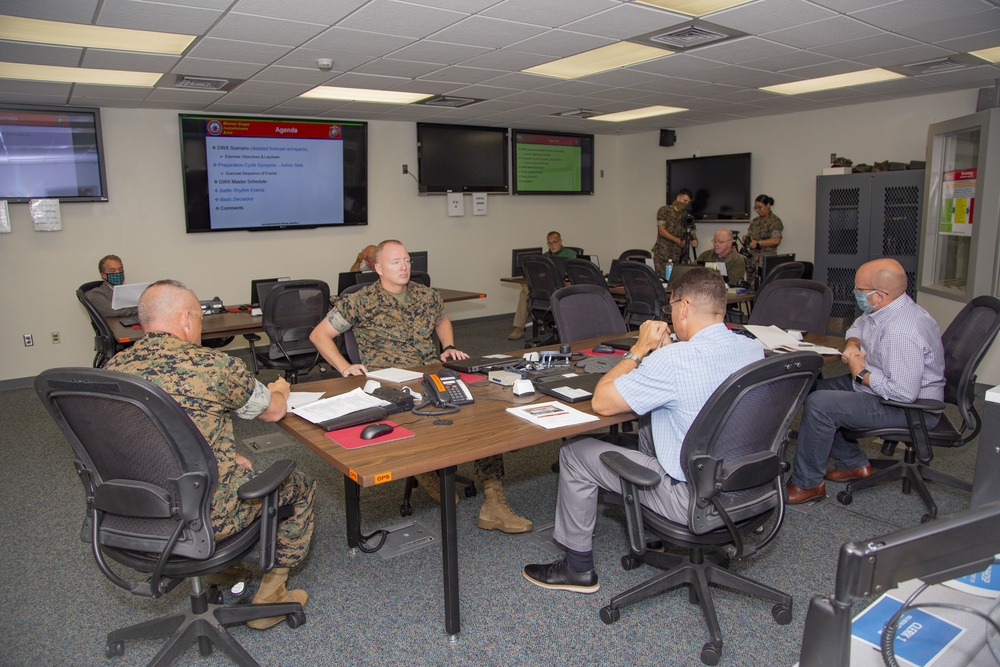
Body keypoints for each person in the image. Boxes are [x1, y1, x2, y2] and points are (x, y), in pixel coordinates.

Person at [522, 268, 763, 593]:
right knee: (652, 421)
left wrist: (638, 350)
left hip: (692, 497)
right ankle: (654, 537)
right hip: (747, 486)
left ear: (684, 308)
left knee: (575, 453)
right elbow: (696, 391)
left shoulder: (676, 359)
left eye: (671, 307)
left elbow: (603, 402)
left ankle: (577, 569)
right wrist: (664, 354)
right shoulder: (751, 347)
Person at [106, 280, 316, 629]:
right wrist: (279, 388)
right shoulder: (213, 365)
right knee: (300, 484)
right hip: (205, 515)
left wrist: (225, 456)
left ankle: (220, 571)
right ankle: (271, 597)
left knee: (236, 463)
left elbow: (152, 438)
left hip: (130, 512)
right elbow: (273, 411)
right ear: (187, 319)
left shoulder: (112, 369)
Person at [311, 239, 533, 533]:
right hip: (390, 384)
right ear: (378, 268)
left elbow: (442, 320)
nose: (404, 267)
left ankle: (493, 502)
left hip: (430, 374)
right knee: (425, 415)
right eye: (395, 262)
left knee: (481, 415)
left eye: (407, 261)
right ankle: (427, 470)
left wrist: (449, 345)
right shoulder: (359, 301)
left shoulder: (426, 295)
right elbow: (319, 335)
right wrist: (344, 367)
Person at [786, 258, 945, 504]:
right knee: (809, 388)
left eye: (859, 290)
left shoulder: (902, 332)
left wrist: (860, 373)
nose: (854, 293)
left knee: (821, 404)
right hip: (880, 388)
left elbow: (903, 393)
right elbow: (857, 327)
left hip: (910, 407)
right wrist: (853, 344)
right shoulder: (883, 309)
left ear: (879, 295)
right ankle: (852, 463)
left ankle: (808, 485)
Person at [509, 231, 577, 340]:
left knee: (527, 291)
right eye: (549, 243)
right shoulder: (544, 257)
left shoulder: (570, 254)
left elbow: (572, 271)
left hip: (561, 285)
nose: (552, 245)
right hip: (545, 285)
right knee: (525, 291)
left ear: (560, 241)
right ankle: (519, 328)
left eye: (554, 242)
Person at [743, 194, 783, 279]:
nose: (757, 210)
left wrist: (758, 243)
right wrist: (747, 239)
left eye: (760, 207)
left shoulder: (775, 221)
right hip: (752, 260)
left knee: (763, 285)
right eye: (755, 208)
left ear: (768, 205)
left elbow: (776, 240)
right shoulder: (755, 221)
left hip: (764, 261)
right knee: (750, 287)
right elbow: (751, 237)